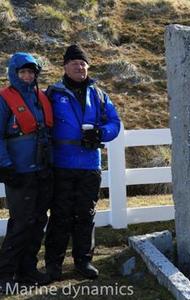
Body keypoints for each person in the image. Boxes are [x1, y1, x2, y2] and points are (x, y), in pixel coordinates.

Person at [45, 44, 120, 281]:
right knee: (60, 214)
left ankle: (83, 261)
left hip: (90, 165)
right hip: (62, 164)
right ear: (65, 66)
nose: (80, 67)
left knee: (86, 214)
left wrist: (100, 134)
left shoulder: (99, 94)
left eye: (83, 63)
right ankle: (53, 265)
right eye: (75, 63)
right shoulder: (52, 93)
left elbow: (114, 123)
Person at [0, 52, 53, 291]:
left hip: (41, 168)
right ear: (14, 73)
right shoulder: (3, 100)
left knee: (38, 220)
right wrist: (6, 166)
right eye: (23, 72)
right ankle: (7, 274)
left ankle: (28, 269)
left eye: (31, 72)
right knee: (20, 222)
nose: (28, 76)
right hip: (19, 171)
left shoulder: (40, 97)